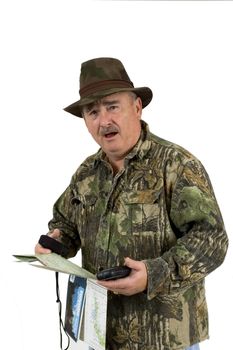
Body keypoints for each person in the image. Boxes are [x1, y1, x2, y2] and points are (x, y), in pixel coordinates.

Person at [35, 57, 228, 350]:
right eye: (93, 111)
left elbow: (212, 240)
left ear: (136, 107)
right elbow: (66, 224)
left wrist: (154, 273)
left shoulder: (176, 165)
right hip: (101, 334)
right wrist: (55, 243)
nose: (104, 120)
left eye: (112, 106)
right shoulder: (87, 173)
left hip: (165, 338)